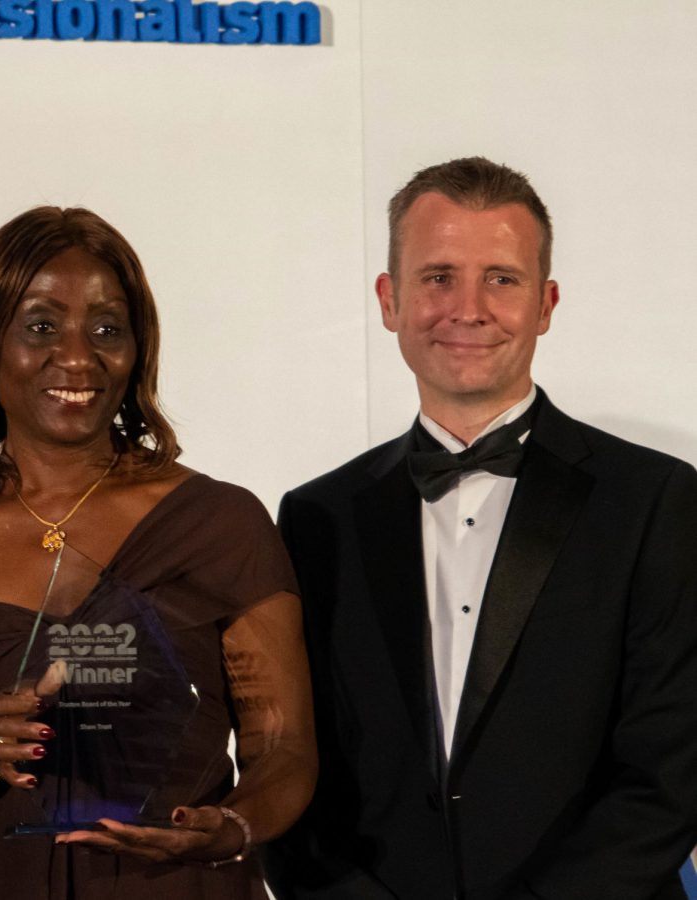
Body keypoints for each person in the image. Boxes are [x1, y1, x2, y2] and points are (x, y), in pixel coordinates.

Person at [265, 157, 697, 900]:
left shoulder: (656, 501)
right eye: (437, 277)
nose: (467, 308)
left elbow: (670, 774)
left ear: (547, 302)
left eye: (501, 277)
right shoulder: (315, 516)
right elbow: (290, 764)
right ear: (389, 299)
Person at [0, 206, 316, 899]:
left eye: (107, 329)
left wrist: (233, 827)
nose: (78, 356)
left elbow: (283, 749)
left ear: (138, 352)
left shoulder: (220, 524)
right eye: (41, 326)